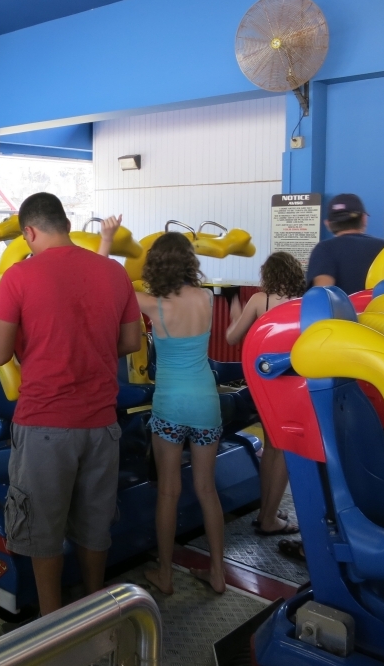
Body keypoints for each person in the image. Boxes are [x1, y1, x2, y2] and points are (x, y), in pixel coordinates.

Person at [0, 196, 141, 615]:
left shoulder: (17, 277)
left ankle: (52, 621)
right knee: (95, 527)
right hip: (101, 423)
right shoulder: (113, 272)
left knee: (43, 530)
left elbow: (0, 353)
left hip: (44, 424)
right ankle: (94, 608)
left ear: (29, 233)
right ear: (67, 224)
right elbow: (130, 343)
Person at [128, 230, 225, 595]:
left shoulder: (154, 305)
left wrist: (106, 244)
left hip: (170, 405)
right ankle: (217, 573)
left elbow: (109, 283)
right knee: (206, 489)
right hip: (206, 402)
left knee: (169, 490)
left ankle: (165, 575)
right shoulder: (208, 297)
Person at [226, 252, 306, 539]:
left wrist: (236, 314)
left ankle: (267, 512)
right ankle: (268, 516)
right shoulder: (307, 301)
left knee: (273, 446)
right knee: (281, 448)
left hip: (267, 381)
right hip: (297, 382)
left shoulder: (262, 300)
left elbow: (233, 338)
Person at [306, 193, 384, 294]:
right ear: (364, 218)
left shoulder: (325, 249)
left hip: (344, 310)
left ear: (328, 224)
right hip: (382, 308)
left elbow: (323, 296)